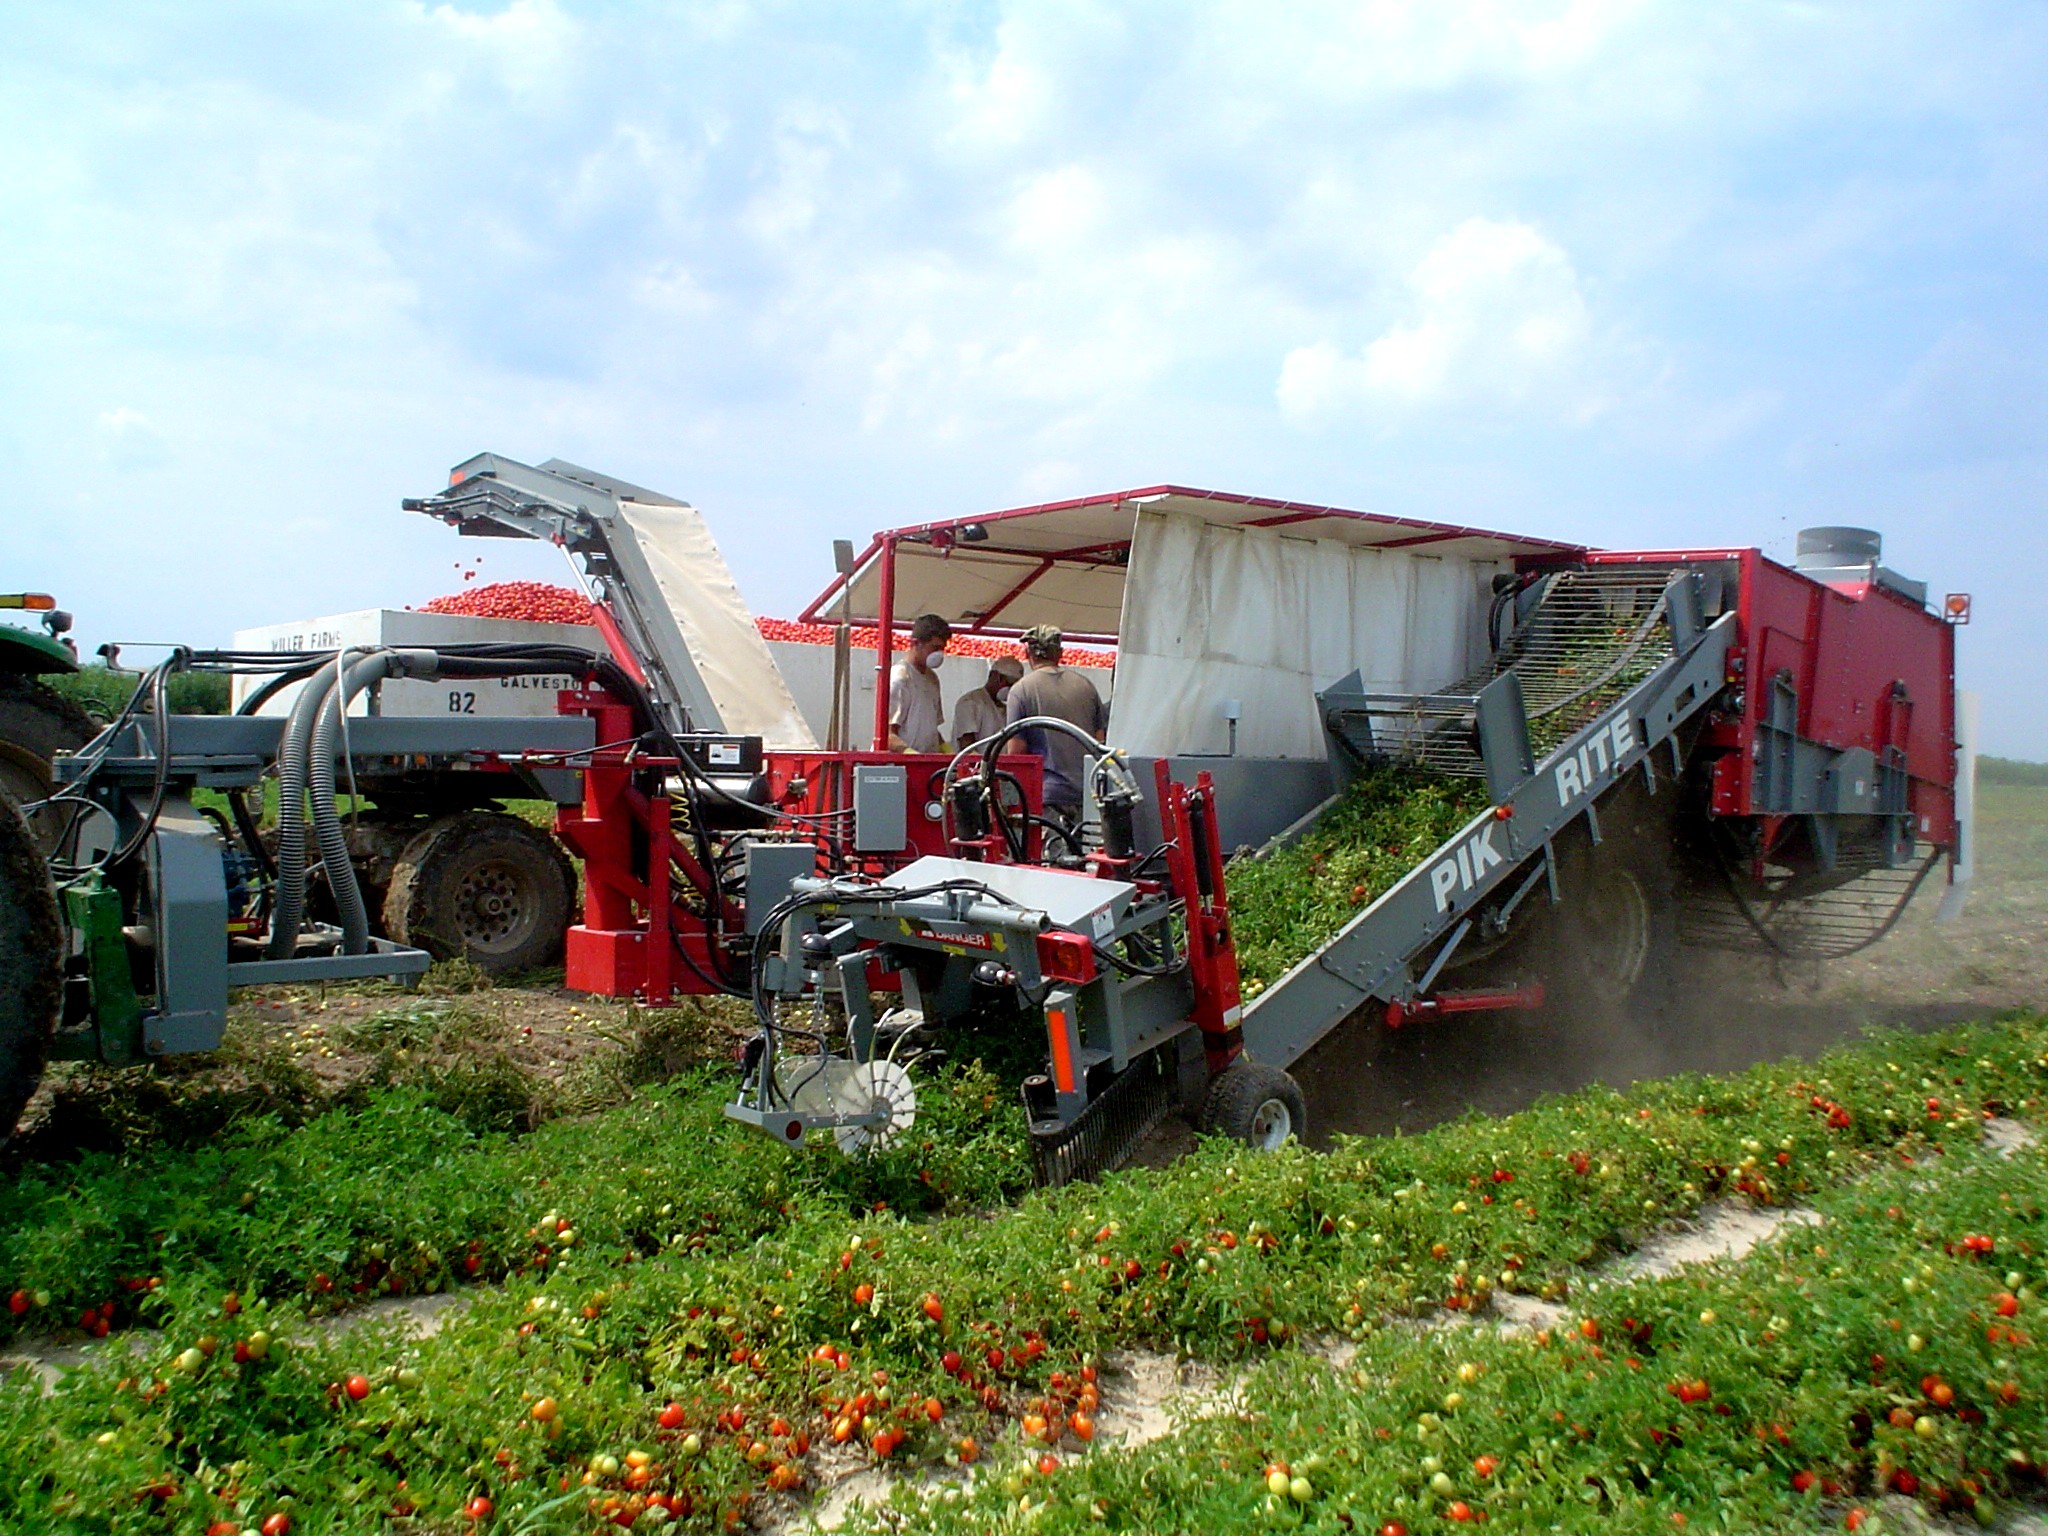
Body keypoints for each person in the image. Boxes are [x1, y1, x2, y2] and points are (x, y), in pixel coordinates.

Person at [1004, 624, 1107, 822]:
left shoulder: (1021, 690)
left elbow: (1016, 753)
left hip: (1047, 798)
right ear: (1059, 653)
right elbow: (1099, 742)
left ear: (1028, 653)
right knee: (1085, 851)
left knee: (1050, 852)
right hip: (1087, 794)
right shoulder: (1086, 686)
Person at [885, 613, 951, 754]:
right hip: (901, 766)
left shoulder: (932, 679)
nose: (939, 654)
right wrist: (911, 755)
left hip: (928, 765)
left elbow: (931, 729)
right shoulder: (900, 677)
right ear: (915, 643)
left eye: (942, 649)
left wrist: (947, 750)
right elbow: (887, 734)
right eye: (934, 648)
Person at [952, 654, 1023, 751]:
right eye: (1008, 683)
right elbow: (967, 747)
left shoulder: (1007, 709)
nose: (1010, 688)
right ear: (993, 676)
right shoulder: (971, 702)